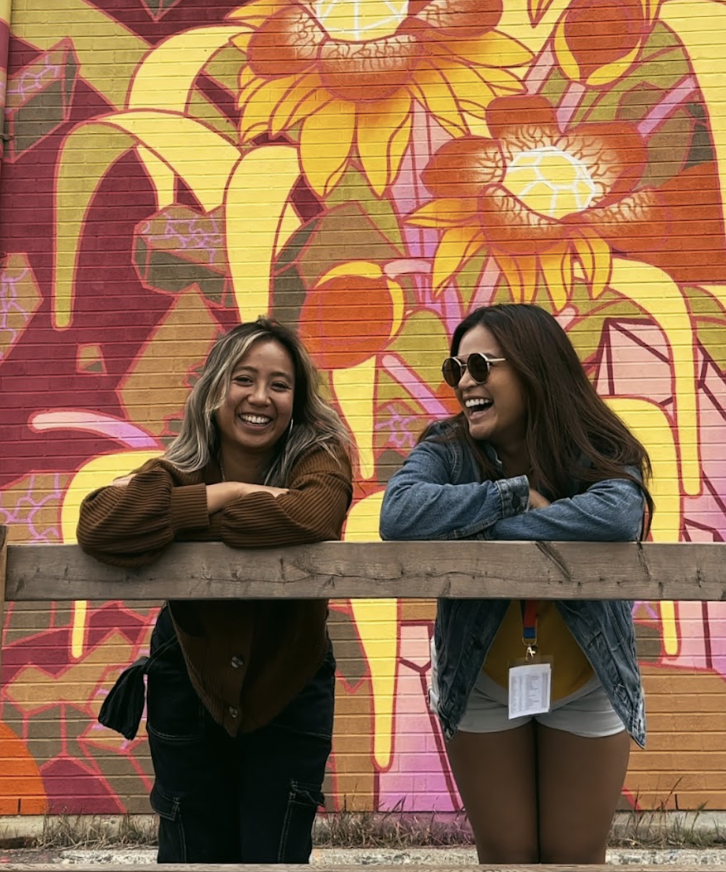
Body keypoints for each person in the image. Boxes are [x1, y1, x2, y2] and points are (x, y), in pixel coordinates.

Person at [379, 303, 652, 866]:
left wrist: (475, 528)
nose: (465, 382)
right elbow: (399, 514)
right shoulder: (448, 448)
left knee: (573, 858)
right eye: (456, 370)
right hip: (482, 679)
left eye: (480, 365)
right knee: (507, 859)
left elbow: (619, 514)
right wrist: (513, 496)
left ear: (533, 366)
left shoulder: (591, 444)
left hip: (585, 677)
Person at [77, 317, 352, 864]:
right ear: (214, 391)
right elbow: (100, 524)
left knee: (273, 851)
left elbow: (312, 515)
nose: (260, 397)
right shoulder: (181, 467)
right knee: (190, 849)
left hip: (288, 679)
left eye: (280, 384)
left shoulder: (320, 457)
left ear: (297, 399)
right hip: (188, 675)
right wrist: (228, 492)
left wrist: (181, 520)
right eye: (244, 379)